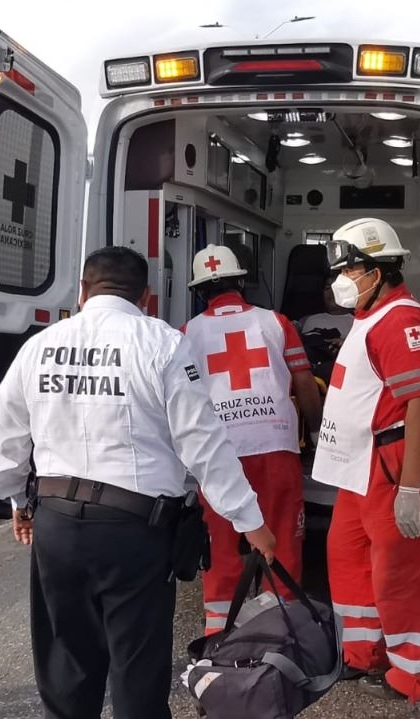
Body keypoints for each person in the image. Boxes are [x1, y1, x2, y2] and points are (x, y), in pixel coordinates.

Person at [0, 246, 277, 719]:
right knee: (136, 669)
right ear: (146, 297)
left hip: (56, 525)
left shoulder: (40, 345)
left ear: (82, 290)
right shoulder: (161, 343)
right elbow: (202, 444)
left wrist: (19, 499)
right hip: (133, 531)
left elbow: (5, 437)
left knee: (67, 665)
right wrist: (250, 520)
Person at [311, 218, 420, 703]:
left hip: (391, 466)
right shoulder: (372, 317)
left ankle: (414, 675)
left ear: (377, 270)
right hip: (361, 465)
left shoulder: (401, 320)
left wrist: (410, 488)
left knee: (400, 571)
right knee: (347, 555)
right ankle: (362, 654)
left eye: (349, 270)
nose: (341, 281)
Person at [181, 244, 322, 635]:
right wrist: (314, 432)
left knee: (223, 547)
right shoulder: (275, 322)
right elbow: (305, 383)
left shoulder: (187, 333)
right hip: (276, 449)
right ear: (242, 282)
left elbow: (179, 397)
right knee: (281, 544)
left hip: (219, 455)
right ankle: (283, 634)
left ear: (200, 291)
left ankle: (220, 640)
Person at [298, 274, 355, 342]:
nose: (331, 292)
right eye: (327, 288)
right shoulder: (311, 320)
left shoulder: (357, 323)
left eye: (337, 287)